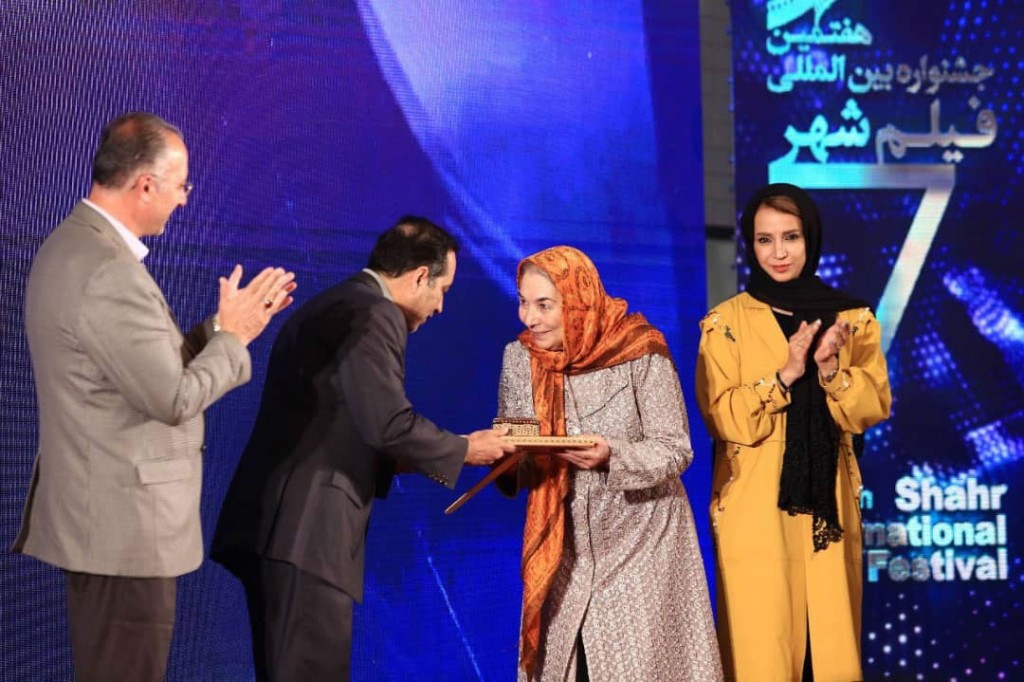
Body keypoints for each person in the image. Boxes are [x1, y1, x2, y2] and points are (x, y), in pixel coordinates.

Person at [11, 112, 296, 682]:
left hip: (103, 525)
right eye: (182, 185)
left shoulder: (73, 247)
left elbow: (138, 370)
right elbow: (172, 398)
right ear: (146, 185)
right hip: (123, 535)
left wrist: (221, 328)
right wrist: (234, 339)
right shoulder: (107, 272)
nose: (184, 199)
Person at [212, 216, 515, 681]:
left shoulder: (338, 303)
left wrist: (438, 454)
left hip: (282, 527)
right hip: (308, 530)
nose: (440, 306)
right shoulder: (376, 312)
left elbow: (350, 428)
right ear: (419, 277)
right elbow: (388, 424)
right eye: (443, 290)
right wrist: (464, 449)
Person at [496, 246, 723, 682]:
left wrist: (611, 455)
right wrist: (504, 456)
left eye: (544, 305)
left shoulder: (640, 348)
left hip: (644, 544)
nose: (529, 318)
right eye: (523, 302)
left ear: (577, 301)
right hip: (565, 553)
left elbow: (675, 448)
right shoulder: (520, 358)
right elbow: (520, 456)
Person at [696, 183, 892, 681]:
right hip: (752, 503)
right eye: (765, 240)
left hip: (830, 502)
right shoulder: (726, 322)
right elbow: (724, 418)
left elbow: (871, 407)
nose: (778, 253)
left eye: (791, 237)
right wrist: (783, 376)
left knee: (830, 653)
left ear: (812, 239)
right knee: (761, 653)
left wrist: (830, 370)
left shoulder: (852, 318)